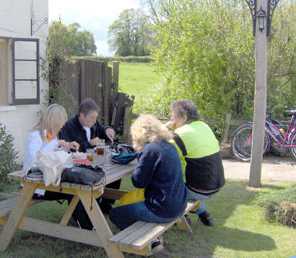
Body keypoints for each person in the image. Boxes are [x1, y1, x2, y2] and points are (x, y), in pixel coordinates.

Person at [109, 114, 188, 255]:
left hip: (163, 209)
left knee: (115, 214)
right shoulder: (169, 146)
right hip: (179, 204)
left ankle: (149, 242)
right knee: (131, 203)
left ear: (139, 134)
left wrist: (139, 166)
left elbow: (138, 182)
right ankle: (153, 238)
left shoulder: (150, 150)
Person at [58, 98, 118, 229]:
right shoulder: (69, 127)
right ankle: (83, 215)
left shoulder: (94, 124)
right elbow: (71, 150)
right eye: (91, 118)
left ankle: (105, 204)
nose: (94, 121)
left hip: (91, 161)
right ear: (81, 115)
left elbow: (102, 128)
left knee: (114, 173)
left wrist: (108, 129)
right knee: (91, 179)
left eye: (95, 117)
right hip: (76, 165)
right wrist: (89, 144)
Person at [165, 99, 225, 226]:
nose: (171, 118)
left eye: (174, 115)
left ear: (184, 117)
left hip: (199, 189)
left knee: (163, 184)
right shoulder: (204, 126)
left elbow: (166, 157)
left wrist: (164, 128)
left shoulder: (180, 135)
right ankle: (203, 213)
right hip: (217, 184)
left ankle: (181, 214)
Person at [22, 104, 80, 198]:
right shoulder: (34, 136)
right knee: (75, 190)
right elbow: (36, 161)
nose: (63, 124)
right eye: (61, 121)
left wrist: (66, 147)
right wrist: (56, 143)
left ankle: (78, 213)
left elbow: (52, 155)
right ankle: (79, 213)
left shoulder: (50, 135)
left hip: (47, 179)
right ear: (55, 121)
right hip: (35, 185)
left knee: (77, 185)